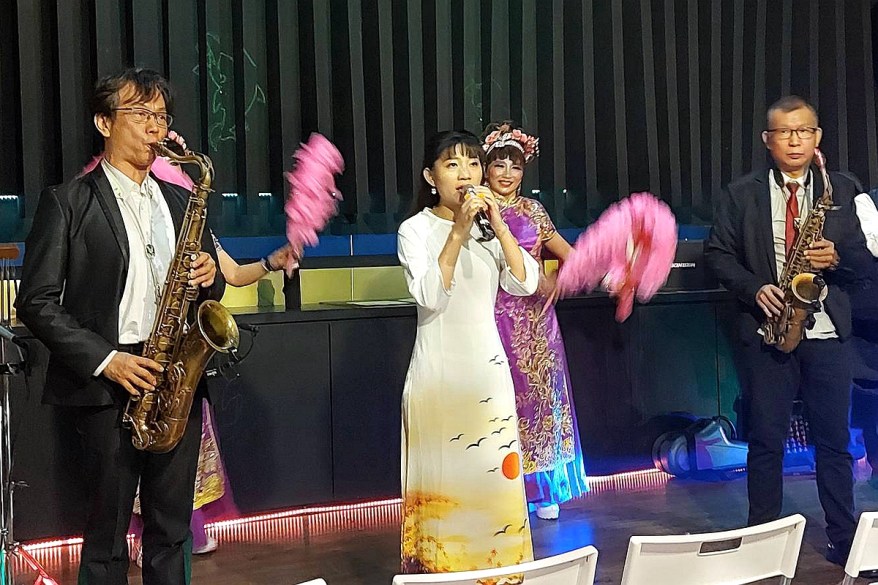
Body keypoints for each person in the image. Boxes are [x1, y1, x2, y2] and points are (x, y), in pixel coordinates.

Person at [16, 67, 225, 585]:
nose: (156, 127)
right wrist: (108, 360)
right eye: (141, 114)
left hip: (175, 376)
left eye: (162, 116)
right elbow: (36, 302)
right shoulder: (67, 201)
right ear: (104, 122)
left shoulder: (181, 201)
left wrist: (210, 276)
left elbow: (209, 292)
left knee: (171, 531)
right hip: (110, 382)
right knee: (106, 539)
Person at [705, 95, 875, 570]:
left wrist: (837, 258)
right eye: (784, 132)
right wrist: (754, 288)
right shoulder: (740, 194)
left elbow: (864, 264)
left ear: (817, 137)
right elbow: (717, 254)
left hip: (827, 332)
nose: (795, 140)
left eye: (803, 131)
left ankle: (844, 540)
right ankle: (762, 544)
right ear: (768, 140)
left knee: (834, 442)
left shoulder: (841, 188)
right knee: (766, 441)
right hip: (770, 330)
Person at [398, 130, 539, 573]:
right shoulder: (415, 230)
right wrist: (458, 231)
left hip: (489, 374)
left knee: (495, 480)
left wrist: (498, 224)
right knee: (445, 490)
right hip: (439, 377)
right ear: (430, 177)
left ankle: (500, 574)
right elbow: (430, 295)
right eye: (452, 164)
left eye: (473, 163)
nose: (466, 174)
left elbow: (526, 282)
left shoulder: (490, 231)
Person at [481, 121, 588, 520]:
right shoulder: (476, 210)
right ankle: (497, 490)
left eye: (516, 166)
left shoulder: (533, 211)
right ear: (486, 167)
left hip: (536, 324)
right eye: (500, 164)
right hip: (490, 319)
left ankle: (543, 490)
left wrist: (557, 280)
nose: (507, 173)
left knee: (541, 400)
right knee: (497, 400)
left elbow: (572, 257)